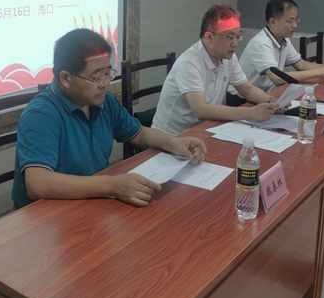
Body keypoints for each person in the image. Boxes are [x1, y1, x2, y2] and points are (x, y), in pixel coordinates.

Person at [11, 29, 207, 210]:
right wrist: (112, 185)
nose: (105, 84)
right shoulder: (40, 115)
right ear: (65, 78)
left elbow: (139, 134)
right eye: (96, 78)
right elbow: (38, 184)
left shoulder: (102, 100)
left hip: (93, 199)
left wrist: (174, 143)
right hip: (48, 215)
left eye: (107, 74)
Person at [151, 4, 279, 137]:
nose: (235, 43)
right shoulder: (189, 62)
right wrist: (251, 113)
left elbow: (247, 89)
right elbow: (201, 110)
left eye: (237, 37)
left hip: (207, 129)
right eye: (229, 37)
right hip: (172, 137)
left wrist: (271, 101)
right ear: (209, 37)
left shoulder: (229, 58)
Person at [238, 0, 324, 94]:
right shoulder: (261, 43)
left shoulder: (284, 39)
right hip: (244, 99)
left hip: (267, 94)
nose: (295, 25)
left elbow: (301, 65)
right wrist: (318, 72)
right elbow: (277, 78)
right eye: (290, 21)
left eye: (296, 20)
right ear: (273, 21)